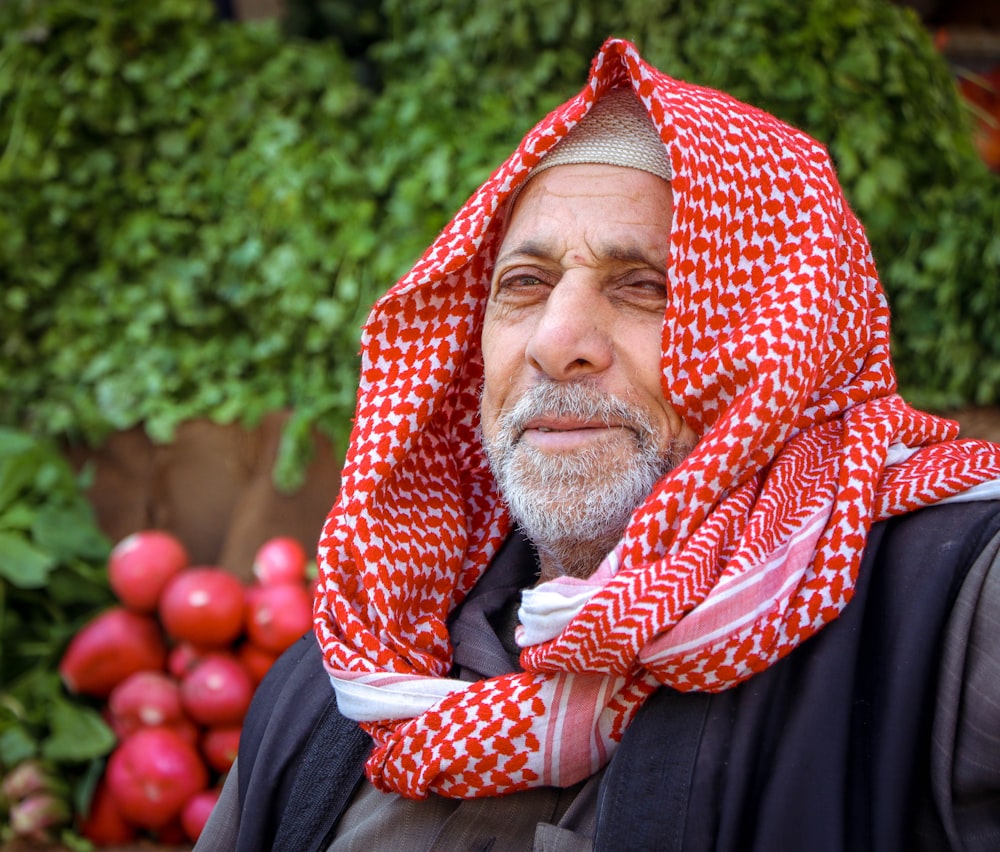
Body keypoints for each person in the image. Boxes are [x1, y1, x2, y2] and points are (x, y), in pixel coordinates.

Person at [196, 38, 1000, 851]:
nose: (558, 341)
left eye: (645, 287)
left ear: (787, 351)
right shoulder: (340, 683)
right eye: (525, 284)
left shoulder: (948, 616)